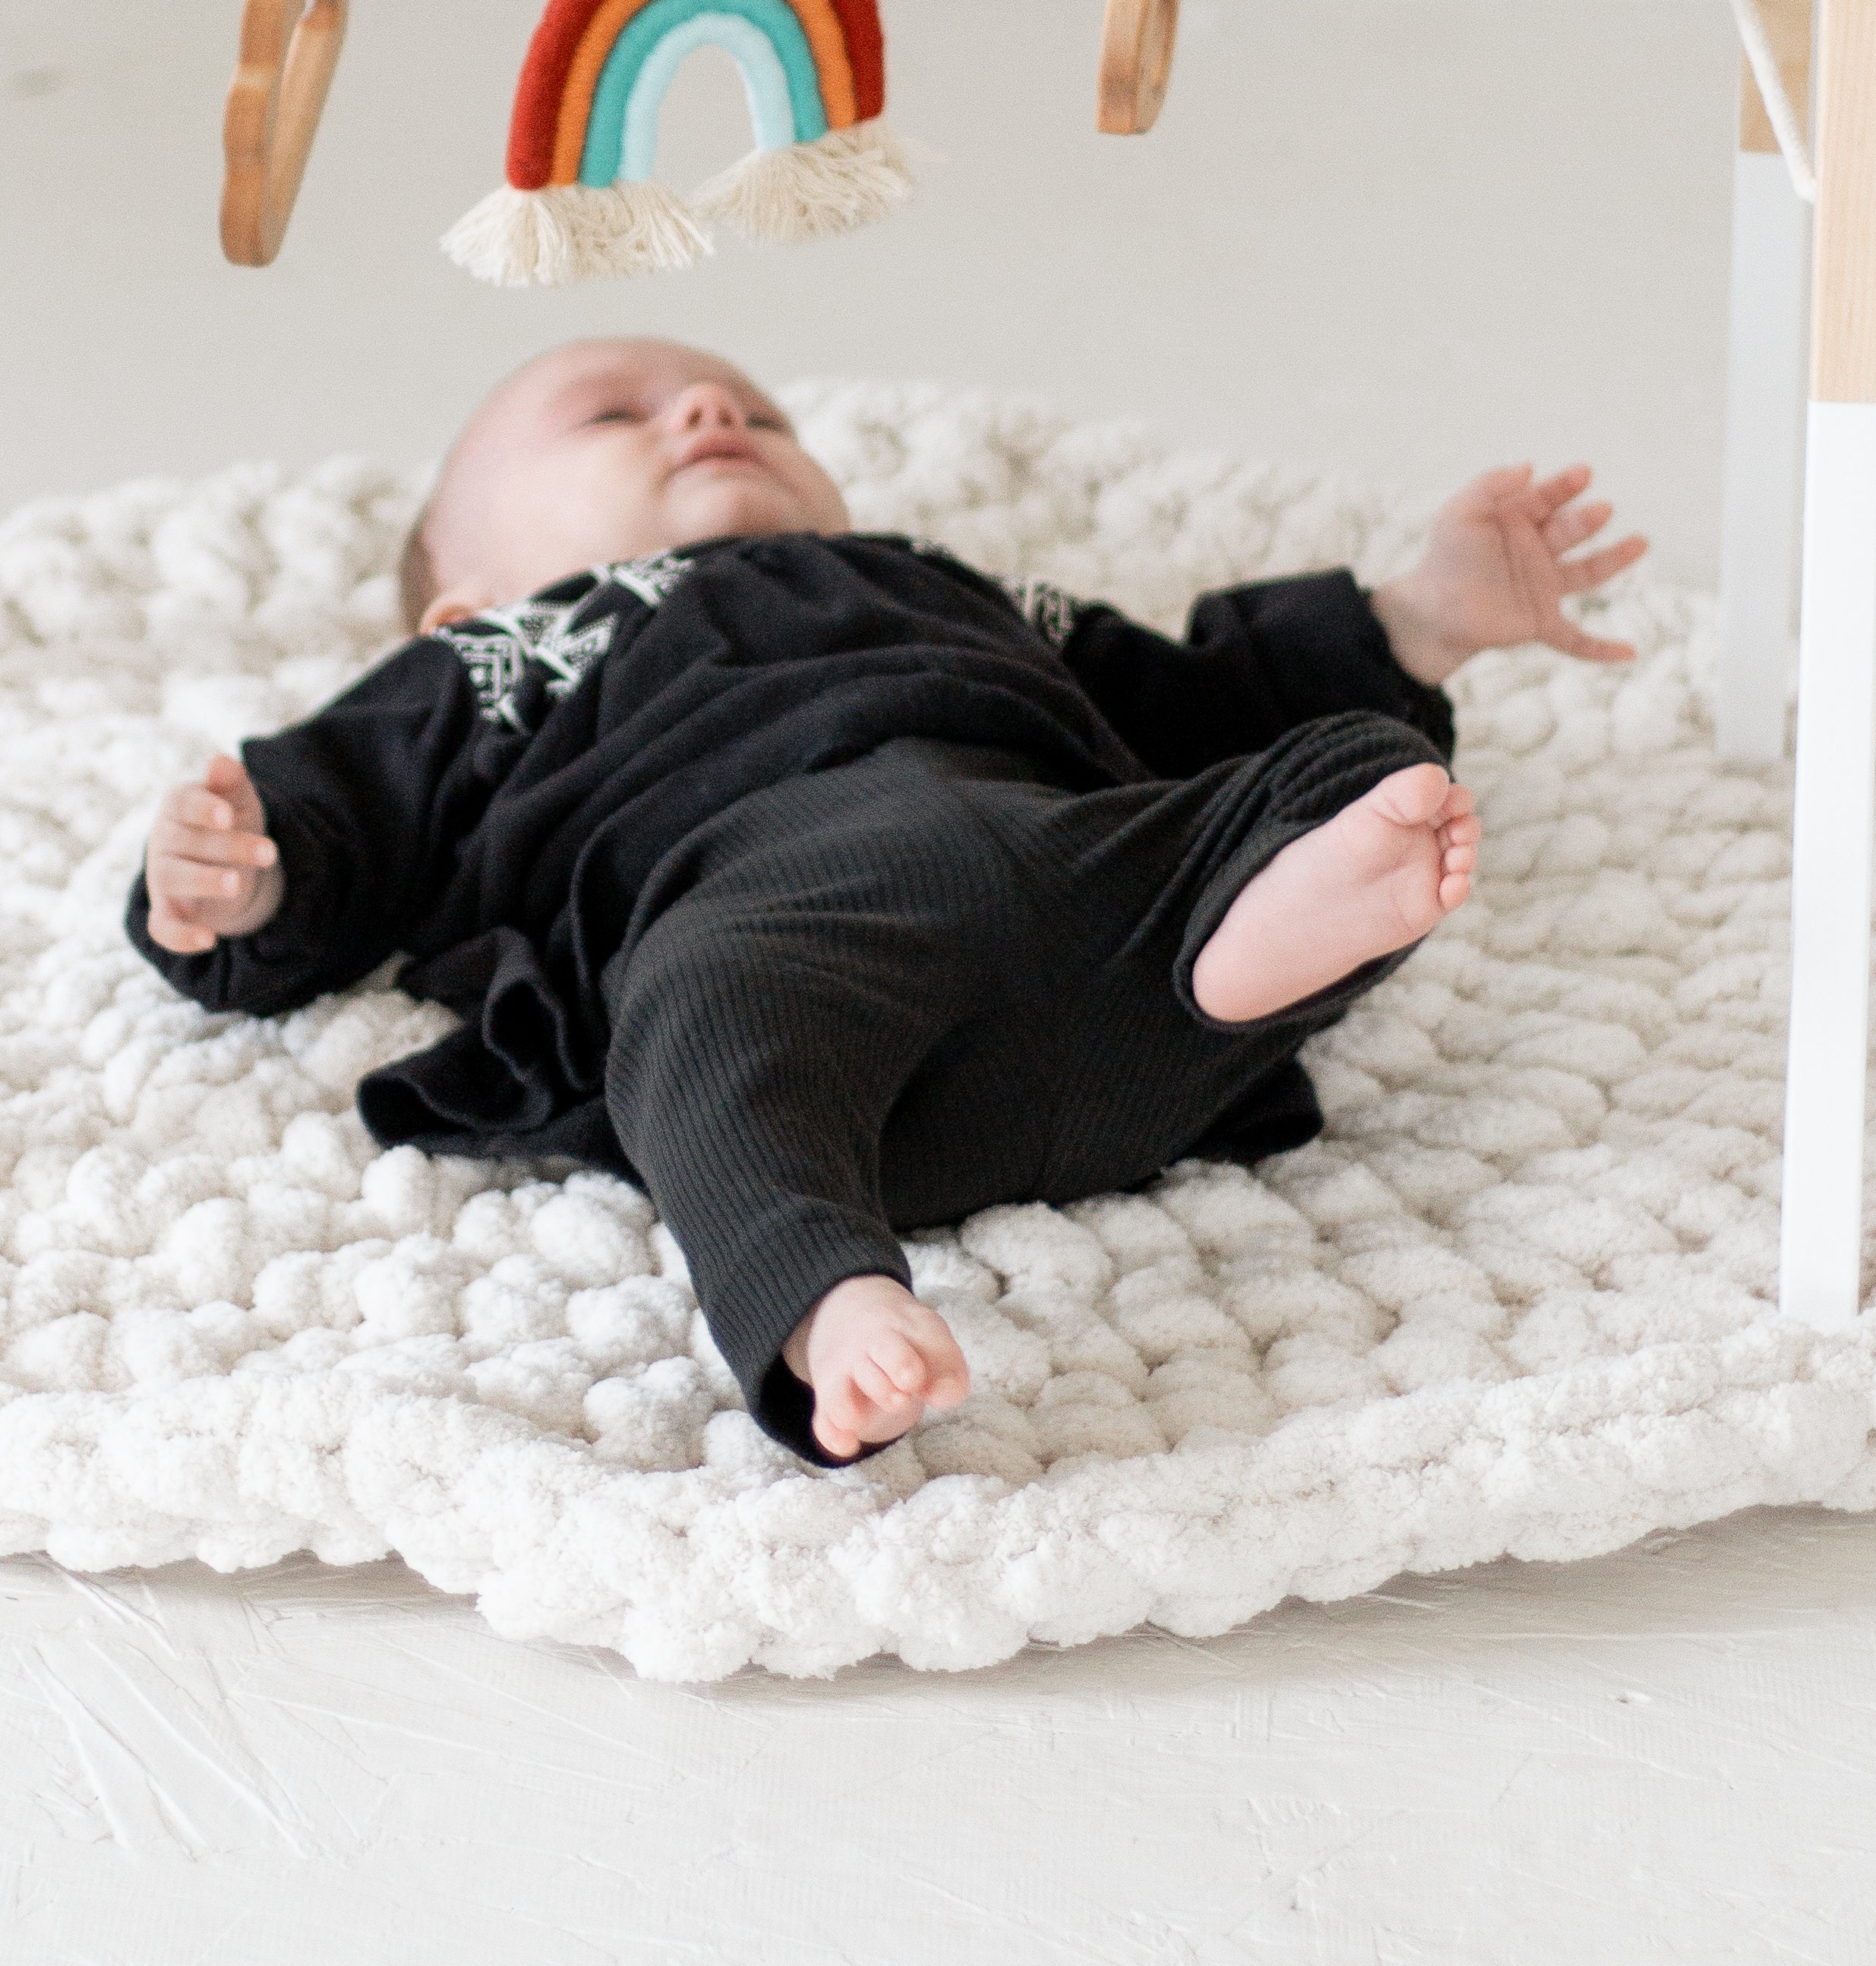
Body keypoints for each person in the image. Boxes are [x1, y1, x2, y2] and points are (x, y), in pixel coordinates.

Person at [128, 343, 1644, 1465]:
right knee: (696, 1036)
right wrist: (237, 879)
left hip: (1076, 869)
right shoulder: (507, 657)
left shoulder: (933, 580)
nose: (709, 414)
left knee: (1348, 769)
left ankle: (1236, 946)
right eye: (613, 415)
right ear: (458, 595)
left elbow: (1200, 694)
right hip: (763, 921)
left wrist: (1423, 617)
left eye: (753, 411)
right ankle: (825, 1297)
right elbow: (338, 815)